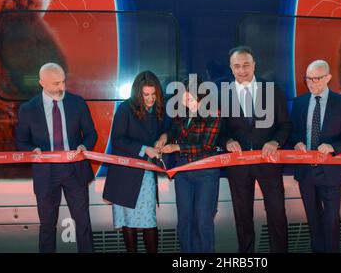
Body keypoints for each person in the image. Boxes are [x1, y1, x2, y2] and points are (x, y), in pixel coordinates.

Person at [15, 63, 97, 253]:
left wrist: (85, 147)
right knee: (47, 227)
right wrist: (32, 150)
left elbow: (91, 134)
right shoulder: (28, 109)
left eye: (63, 81)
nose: (62, 87)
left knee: (83, 224)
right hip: (46, 173)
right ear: (42, 83)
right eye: (56, 83)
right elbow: (21, 141)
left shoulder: (77, 103)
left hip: (75, 170)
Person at [218, 46, 291, 253]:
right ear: (231, 69)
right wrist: (228, 141)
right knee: (243, 217)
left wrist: (275, 142)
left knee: (277, 215)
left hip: (269, 163)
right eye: (237, 66)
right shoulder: (224, 95)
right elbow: (219, 131)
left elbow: (285, 125)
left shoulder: (272, 90)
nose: (242, 70)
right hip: (238, 166)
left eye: (246, 65)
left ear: (254, 65)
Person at [290, 59, 341, 253]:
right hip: (305, 172)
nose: (312, 83)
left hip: (331, 171)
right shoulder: (300, 102)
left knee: (331, 220)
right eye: (308, 79)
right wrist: (296, 142)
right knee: (313, 221)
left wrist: (333, 147)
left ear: (328, 78)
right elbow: (292, 132)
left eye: (317, 79)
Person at [103, 71, 165, 253]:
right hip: (124, 175)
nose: (150, 99)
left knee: (149, 222)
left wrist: (163, 137)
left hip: (145, 173)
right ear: (138, 94)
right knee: (127, 223)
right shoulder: (125, 109)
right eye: (146, 95)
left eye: (154, 94)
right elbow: (118, 140)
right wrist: (145, 148)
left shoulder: (159, 109)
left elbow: (167, 129)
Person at [159, 76, 221, 253]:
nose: (186, 101)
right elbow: (173, 129)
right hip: (183, 172)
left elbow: (206, 146)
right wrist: (165, 137)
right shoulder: (180, 112)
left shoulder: (213, 113)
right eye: (184, 97)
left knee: (203, 220)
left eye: (190, 98)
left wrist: (176, 146)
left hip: (205, 172)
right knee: (184, 220)